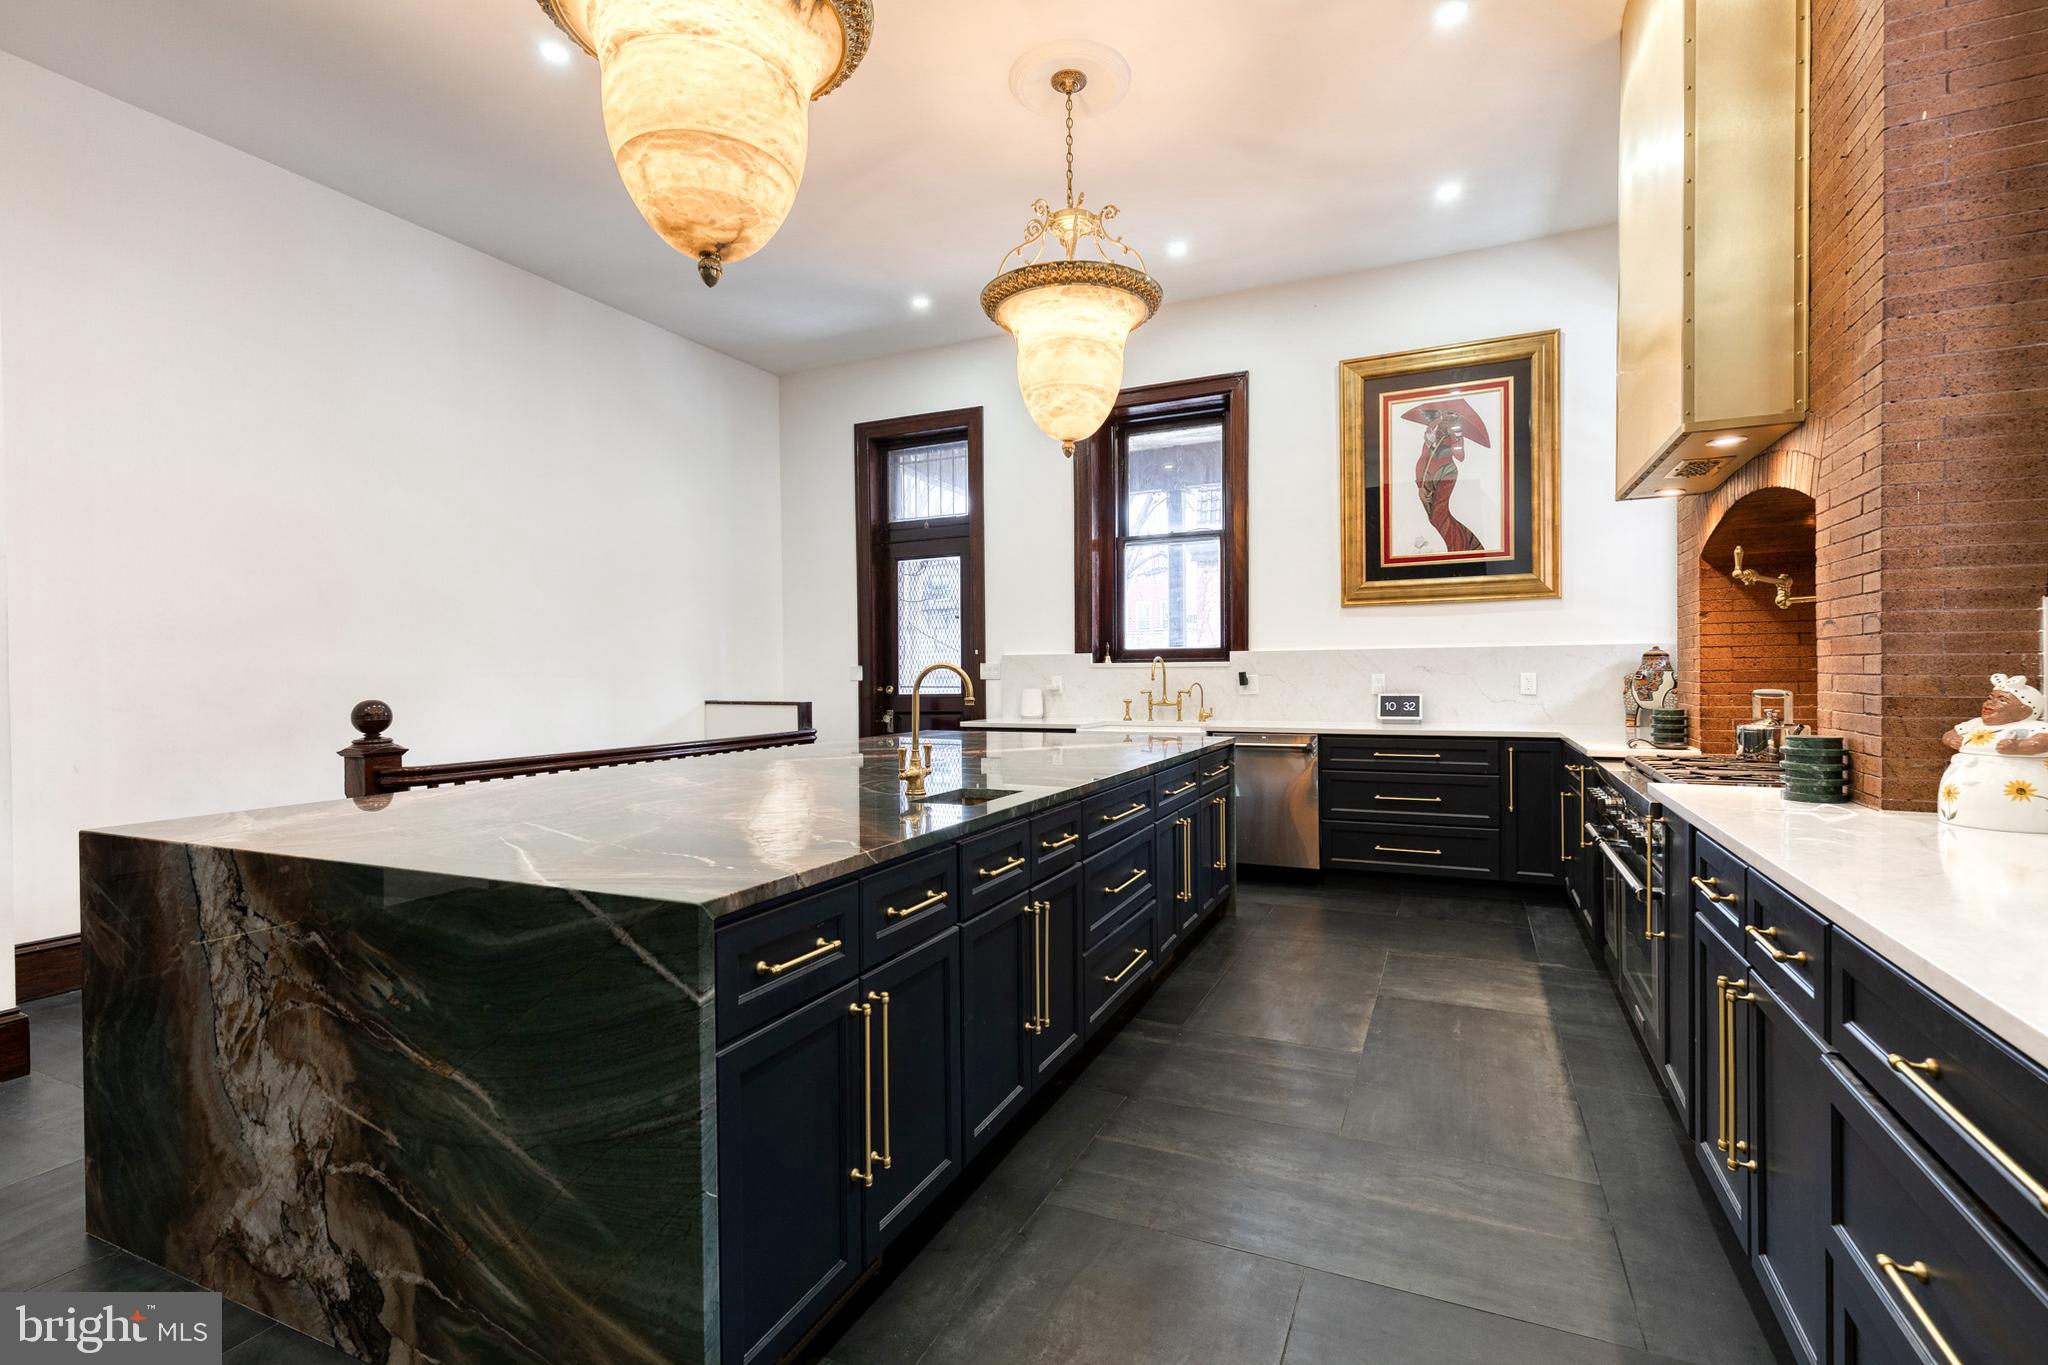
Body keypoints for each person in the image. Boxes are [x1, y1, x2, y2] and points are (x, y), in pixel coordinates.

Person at [1941, 674, 2048, 756]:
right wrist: (1951, 739)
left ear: (2025, 711)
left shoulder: (2031, 726)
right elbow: (1949, 734)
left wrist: (2019, 747)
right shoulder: (1976, 723)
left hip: (2013, 780)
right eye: (1990, 698)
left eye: (2002, 700)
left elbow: (2043, 741)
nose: (1990, 703)